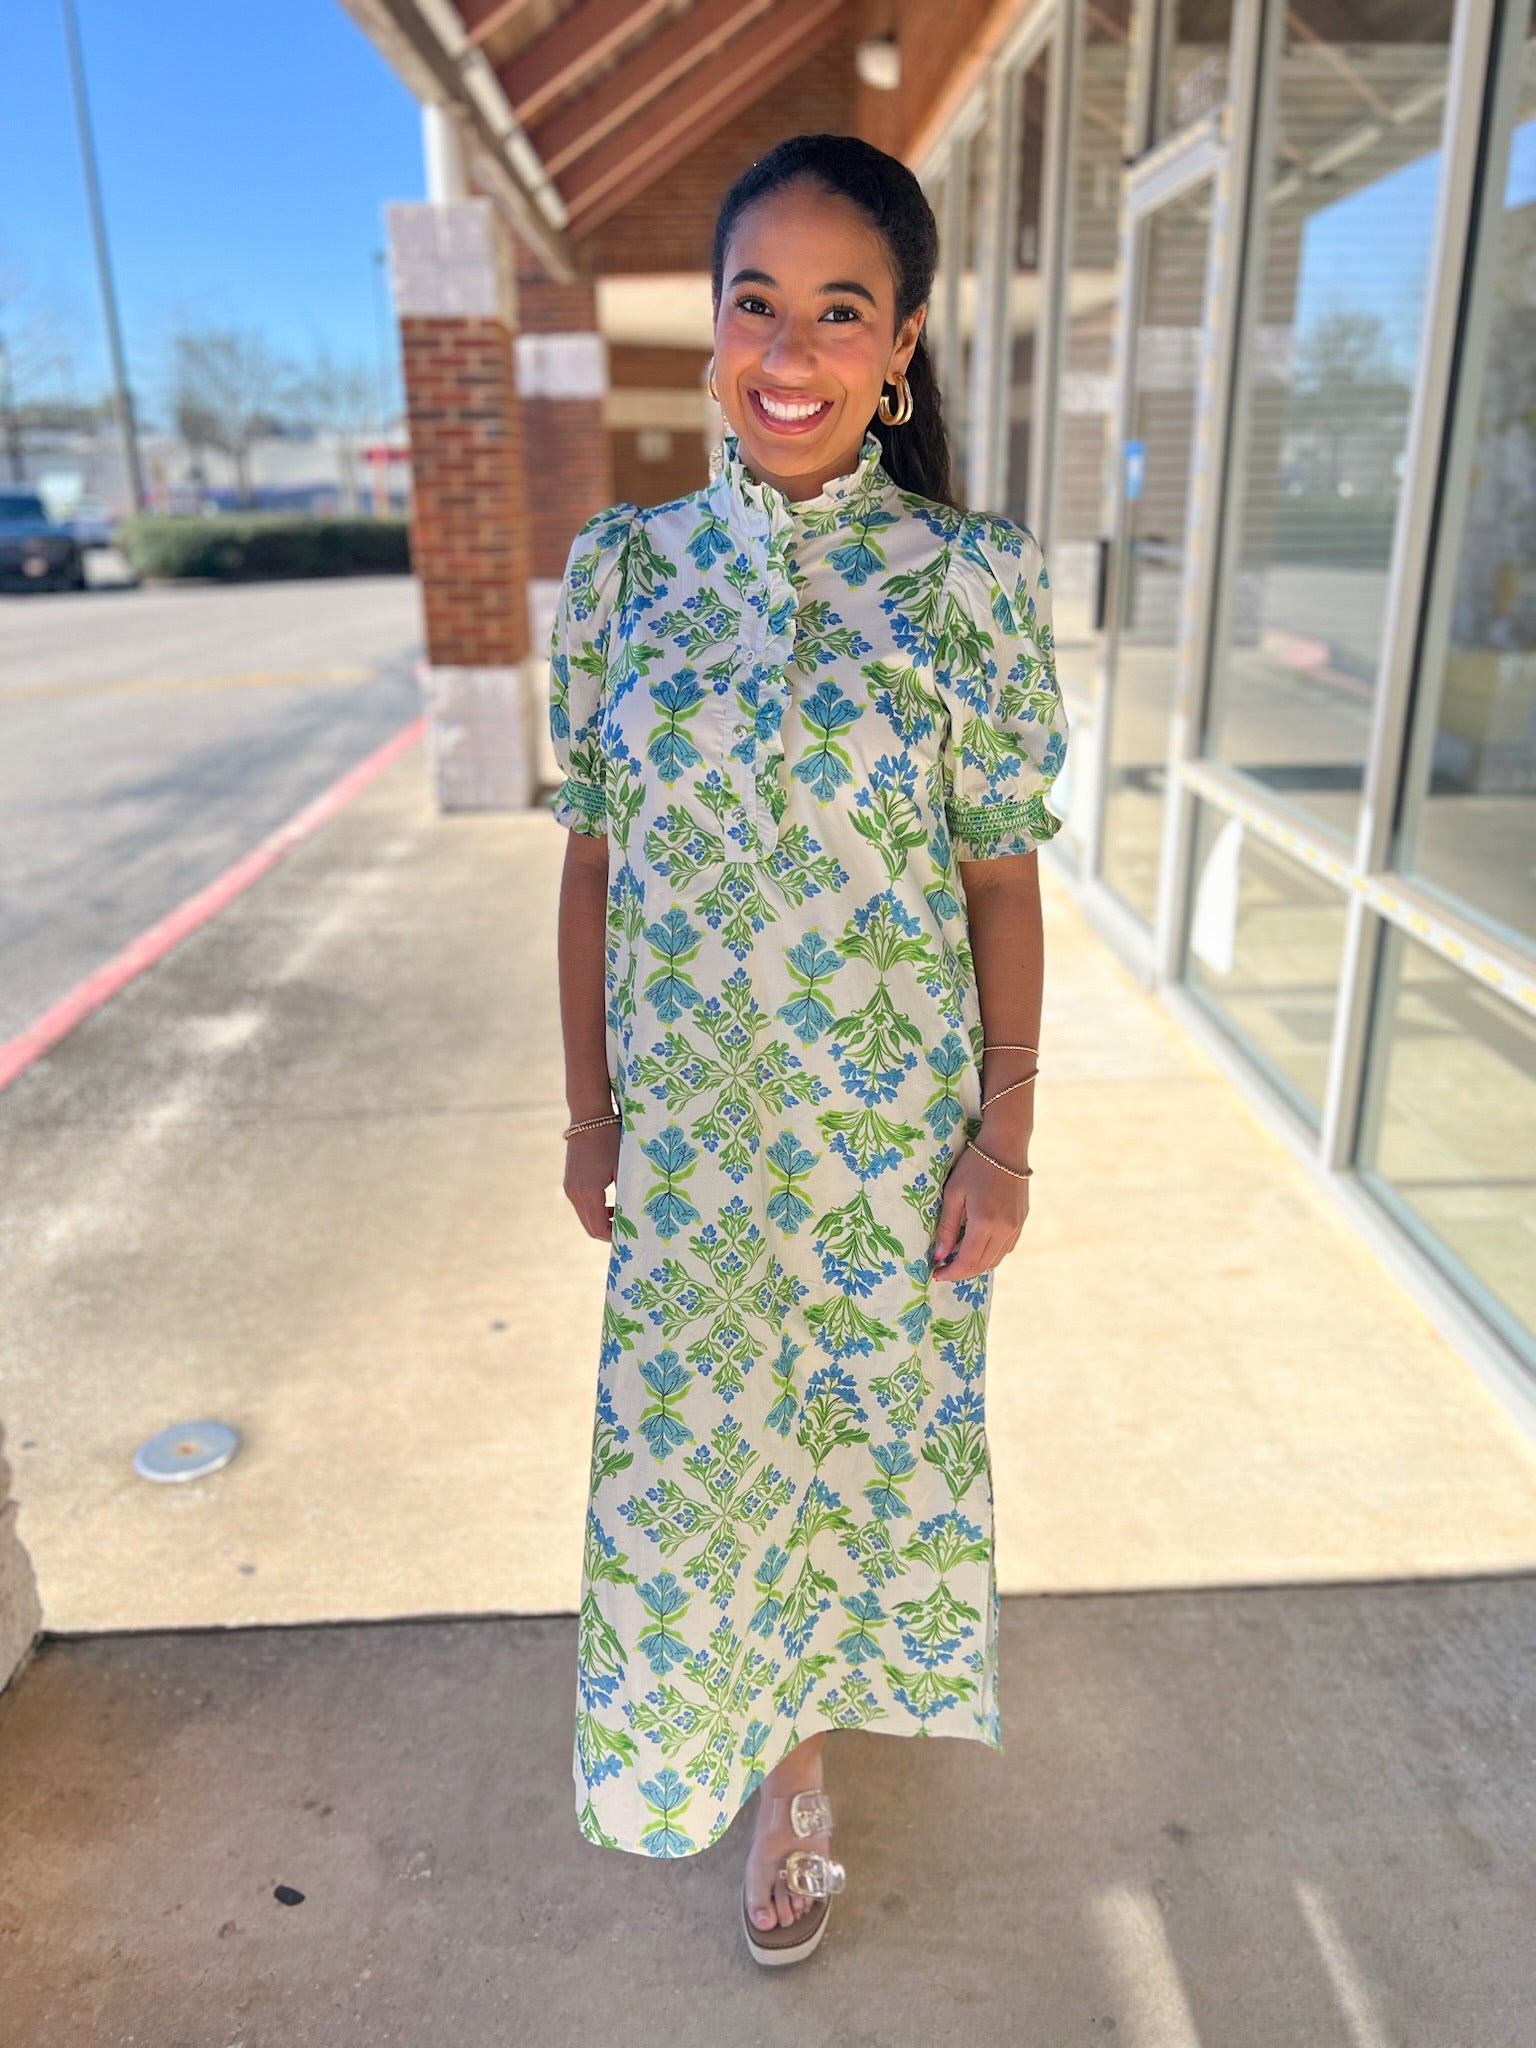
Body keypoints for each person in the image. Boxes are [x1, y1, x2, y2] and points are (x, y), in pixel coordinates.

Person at [548, 132, 1069, 1966]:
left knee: (846, 1471)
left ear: (901, 346)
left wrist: (1002, 1142)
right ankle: (726, 1742)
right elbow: (593, 867)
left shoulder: (971, 582)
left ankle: (800, 1772)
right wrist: (590, 1116)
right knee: (703, 1479)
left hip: (880, 1137)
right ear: (710, 330)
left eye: (838, 311)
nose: (791, 350)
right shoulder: (624, 577)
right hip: (696, 1141)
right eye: (755, 302)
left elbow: (1000, 879)